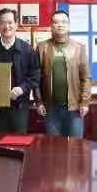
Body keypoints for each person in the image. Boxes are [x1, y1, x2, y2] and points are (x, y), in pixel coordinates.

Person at [0, 8, 40, 134]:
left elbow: (35, 76)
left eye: (10, 22)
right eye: (2, 23)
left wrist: (21, 89)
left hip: (19, 106)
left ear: (16, 24)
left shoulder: (27, 50)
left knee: (18, 141)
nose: (6, 26)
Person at [35, 10, 91, 138]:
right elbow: (36, 78)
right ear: (51, 26)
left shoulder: (79, 48)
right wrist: (38, 101)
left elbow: (86, 77)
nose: (60, 25)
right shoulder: (42, 47)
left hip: (74, 108)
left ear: (69, 25)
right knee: (55, 146)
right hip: (51, 109)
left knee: (75, 146)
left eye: (64, 22)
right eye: (56, 22)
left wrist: (85, 102)